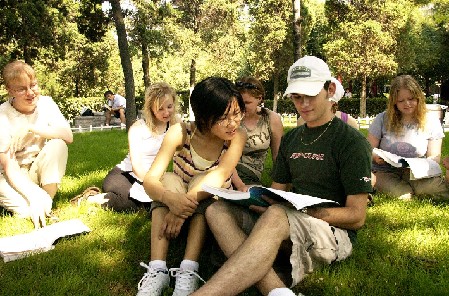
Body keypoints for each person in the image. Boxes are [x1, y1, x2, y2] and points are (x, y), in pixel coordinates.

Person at [191, 56, 373, 296]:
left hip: (333, 233)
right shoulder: (292, 139)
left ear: (329, 90)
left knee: (277, 214)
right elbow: (277, 191)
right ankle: (277, 291)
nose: (304, 104)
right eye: (297, 97)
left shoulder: (351, 142)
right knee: (217, 210)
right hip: (290, 225)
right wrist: (253, 198)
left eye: (310, 95)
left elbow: (357, 217)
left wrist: (299, 211)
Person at [136, 77, 247, 296]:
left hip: (209, 207)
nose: (233, 123)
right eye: (223, 117)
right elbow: (150, 180)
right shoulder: (181, 132)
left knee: (204, 181)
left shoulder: (236, 137)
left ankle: (189, 268)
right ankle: (157, 268)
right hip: (176, 200)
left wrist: (181, 210)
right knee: (167, 180)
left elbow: (221, 174)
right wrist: (171, 200)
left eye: (237, 113)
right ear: (204, 116)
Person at [77, 82, 181, 211]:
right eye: (160, 108)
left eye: (169, 106)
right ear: (151, 108)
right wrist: (153, 185)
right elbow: (136, 166)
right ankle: (92, 198)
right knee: (132, 204)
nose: (166, 112)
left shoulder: (177, 124)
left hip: (156, 177)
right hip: (126, 175)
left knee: (155, 203)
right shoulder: (138, 128)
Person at [0, 60, 73, 229]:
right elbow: (9, 168)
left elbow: (67, 136)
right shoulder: (2, 116)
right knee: (26, 212)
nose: (30, 93)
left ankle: (44, 202)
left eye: (33, 85)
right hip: (9, 176)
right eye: (21, 89)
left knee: (58, 144)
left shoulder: (46, 103)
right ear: (9, 91)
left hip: (36, 168)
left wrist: (31, 127)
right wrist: (33, 195)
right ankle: (43, 204)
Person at [367, 74, 449, 200]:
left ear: (418, 98)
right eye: (401, 101)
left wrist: (419, 165)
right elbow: (367, 148)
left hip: (417, 172)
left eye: (411, 99)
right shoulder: (382, 118)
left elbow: (434, 156)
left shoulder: (430, 120)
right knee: (403, 196)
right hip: (385, 170)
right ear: (394, 101)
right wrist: (374, 155)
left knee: (436, 191)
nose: (407, 104)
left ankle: (417, 188)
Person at [232, 77, 284, 191]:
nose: (241, 107)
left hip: (251, 178)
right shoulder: (230, 118)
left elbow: (279, 159)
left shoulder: (271, 119)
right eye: (238, 102)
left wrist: (278, 190)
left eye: (247, 102)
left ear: (259, 99)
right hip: (227, 174)